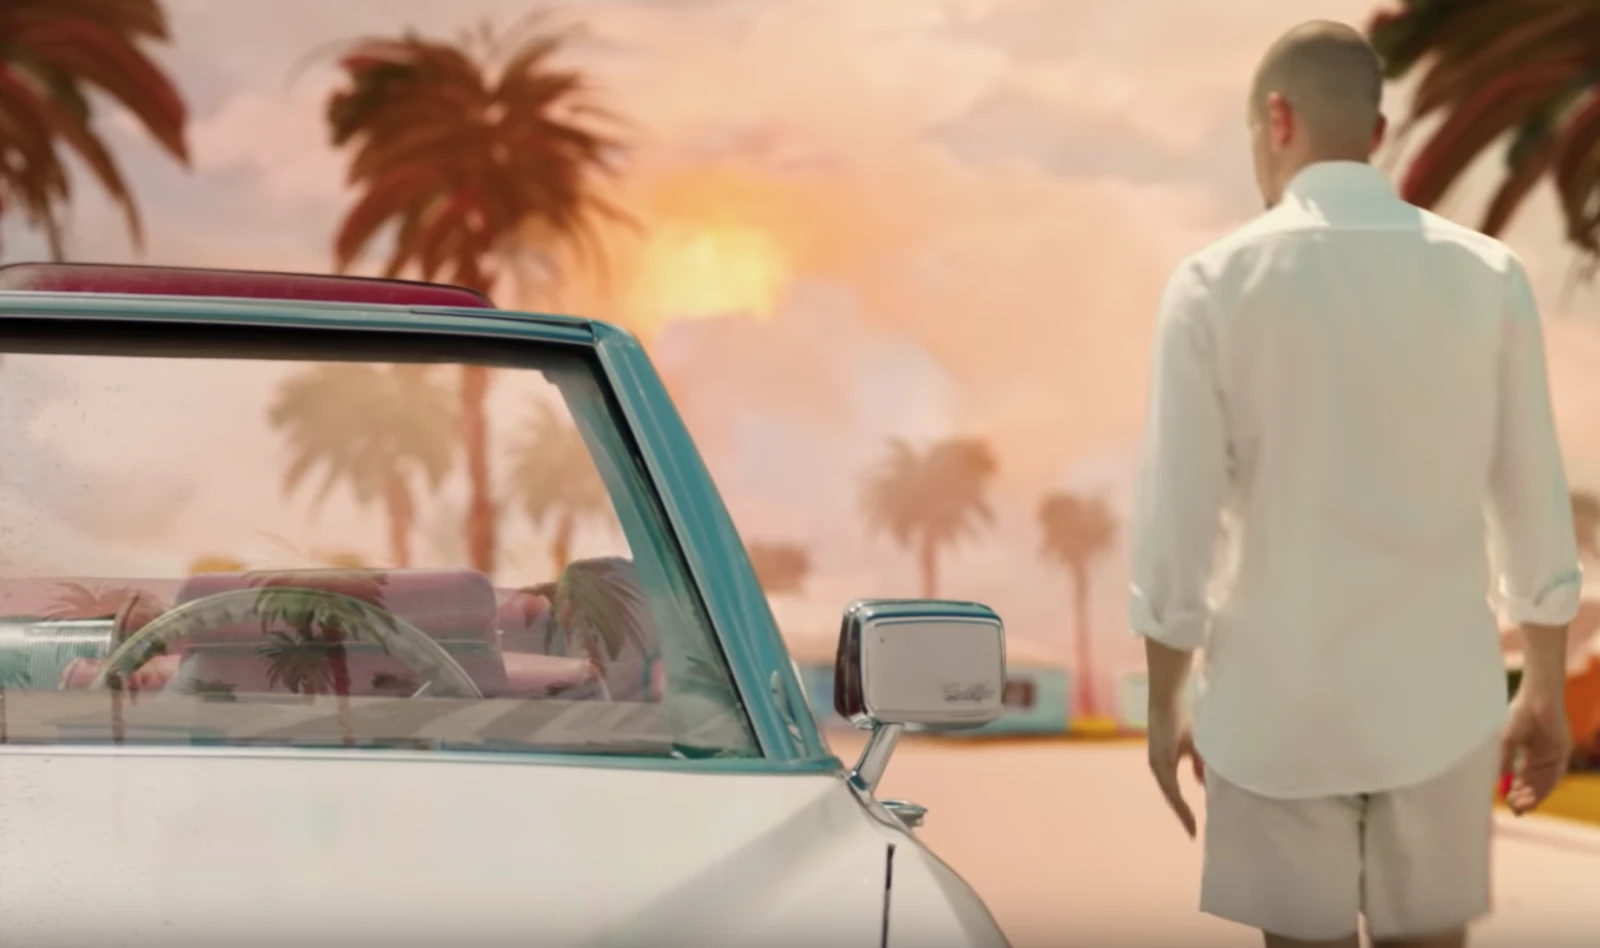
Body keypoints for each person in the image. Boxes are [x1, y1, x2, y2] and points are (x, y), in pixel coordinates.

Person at [1128, 19, 1580, 948]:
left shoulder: (1211, 285)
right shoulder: (1489, 276)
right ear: (1376, 134)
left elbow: (1179, 520)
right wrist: (1543, 682)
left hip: (1275, 710)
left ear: (1277, 119)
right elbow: (1531, 490)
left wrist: (1166, 698)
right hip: (1439, 709)